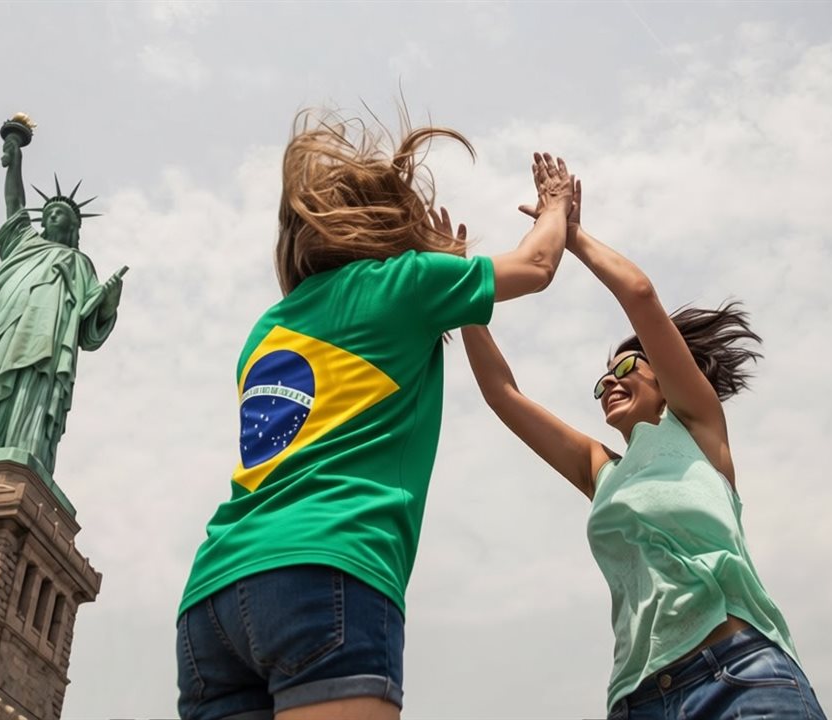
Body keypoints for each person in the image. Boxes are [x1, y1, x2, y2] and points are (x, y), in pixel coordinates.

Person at [176, 110, 574, 720]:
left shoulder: (266, 331)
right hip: (327, 567)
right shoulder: (404, 284)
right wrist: (554, 208)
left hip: (213, 596)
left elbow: (372, 367)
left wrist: (448, 286)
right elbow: (537, 266)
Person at [461, 177, 828, 718]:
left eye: (626, 367)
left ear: (665, 379)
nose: (610, 382)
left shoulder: (698, 429)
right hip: (637, 700)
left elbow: (638, 294)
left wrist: (572, 231)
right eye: (602, 379)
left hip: (739, 676)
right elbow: (503, 394)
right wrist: (459, 293)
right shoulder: (600, 470)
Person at [0, 128, 126, 476]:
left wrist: (108, 302)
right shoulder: (24, 240)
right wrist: (16, 162)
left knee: (30, 386)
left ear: (74, 228)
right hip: (4, 322)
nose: (53, 216)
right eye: (50, 212)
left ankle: (23, 445)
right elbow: (14, 204)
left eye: (62, 215)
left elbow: (88, 329)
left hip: (46, 342)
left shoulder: (80, 263)